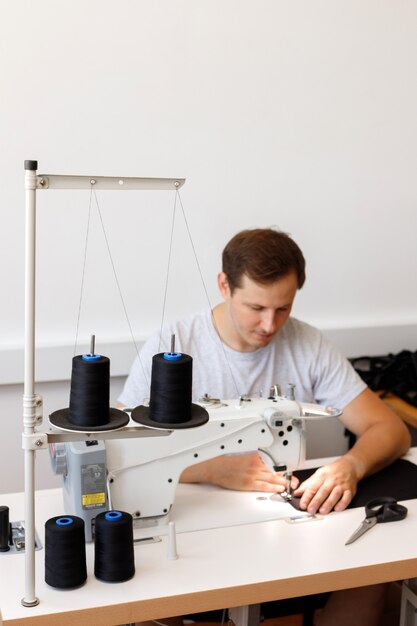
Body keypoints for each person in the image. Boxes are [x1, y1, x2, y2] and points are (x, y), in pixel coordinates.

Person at [118, 228, 410, 625]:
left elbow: (388, 429)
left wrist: (350, 466)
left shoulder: (307, 344)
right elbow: (121, 450)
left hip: (279, 521)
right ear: (224, 285)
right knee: (153, 587)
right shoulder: (173, 346)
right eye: (256, 307)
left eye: (283, 308)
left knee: (372, 573)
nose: (271, 325)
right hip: (192, 519)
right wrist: (209, 468)